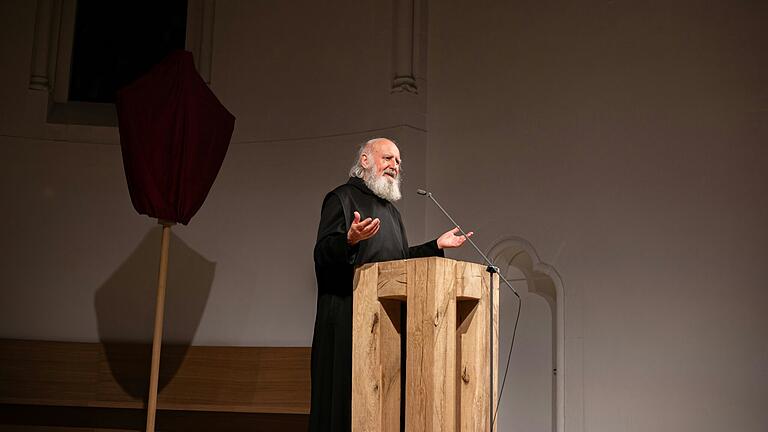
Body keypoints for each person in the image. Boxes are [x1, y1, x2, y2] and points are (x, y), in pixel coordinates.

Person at [308, 137, 472, 431]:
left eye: (398, 162)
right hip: (348, 321)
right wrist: (349, 240)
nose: (395, 166)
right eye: (388, 158)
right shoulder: (341, 199)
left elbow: (398, 262)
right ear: (365, 161)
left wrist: (435, 245)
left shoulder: (392, 213)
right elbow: (322, 255)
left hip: (387, 325)